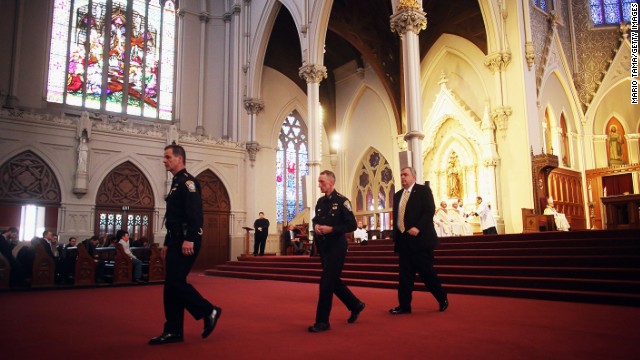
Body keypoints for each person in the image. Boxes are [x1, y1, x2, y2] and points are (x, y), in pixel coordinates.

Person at [149, 144, 221, 345]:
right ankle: (173, 330)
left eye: (167, 157)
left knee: (175, 283)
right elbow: (172, 218)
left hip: (187, 240)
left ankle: (209, 310)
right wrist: (166, 243)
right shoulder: (176, 183)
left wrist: (190, 238)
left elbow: (195, 214)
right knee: (171, 286)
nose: (164, 160)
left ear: (179, 159)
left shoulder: (189, 182)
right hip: (176, 240)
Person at [309, 170, 365, 332]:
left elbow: (352, 225)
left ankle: (322, 322)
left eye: (322, 182)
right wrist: (317, 227)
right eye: (319, 182)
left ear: (332, 183)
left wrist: (332, 229)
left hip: (337, 247)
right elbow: (316, 220)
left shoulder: (342, 202)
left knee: (326, 282)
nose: (320, 185)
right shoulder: (320, 202)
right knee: (333, 281)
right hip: (324, 247)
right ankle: (355, 304)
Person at [389, 167, 448, 315]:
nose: (403, 177)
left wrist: (418, 227)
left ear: (413, 177)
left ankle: (442, 298)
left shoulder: (423, 191)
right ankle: (404, 306)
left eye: (405, 175)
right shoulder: (397, 196)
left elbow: (429, 211)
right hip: (404, 241)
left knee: (427, 273)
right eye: (401, 175)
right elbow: (397, 217)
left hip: (420, 240)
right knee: (404, 277)